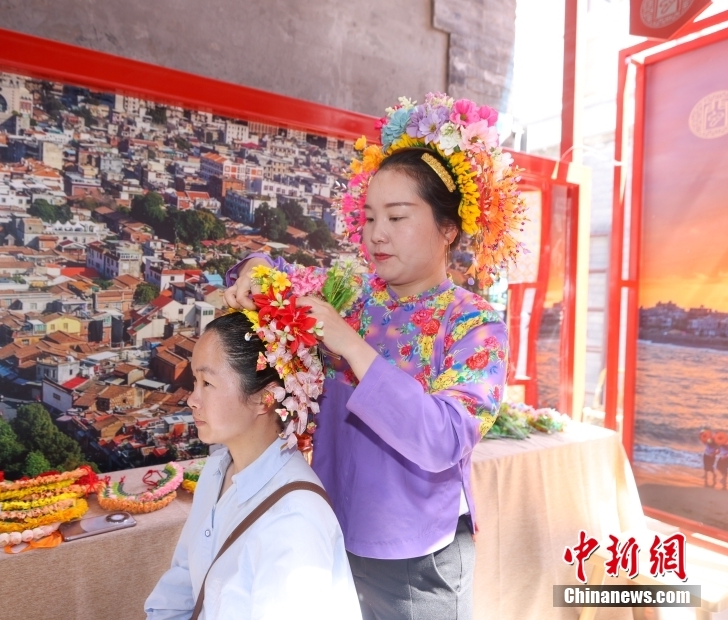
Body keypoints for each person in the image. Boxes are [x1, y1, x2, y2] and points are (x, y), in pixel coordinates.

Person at [224, 93, 523, 620]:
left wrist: (350, 345)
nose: (376, 233)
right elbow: (275, 277)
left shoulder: (474, 323)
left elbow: (446, 438)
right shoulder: (352, 295)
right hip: (331, 527)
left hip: (415, 557)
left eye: (397, 216)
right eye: (368, 217)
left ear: (448, 228)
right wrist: (252, 271)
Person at [144, 311, 362, 620]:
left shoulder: (294, 519)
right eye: (195, 381)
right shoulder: (217, 469)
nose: (193, 399)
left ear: (265, 398)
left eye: (207, 382)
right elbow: (184, 581)